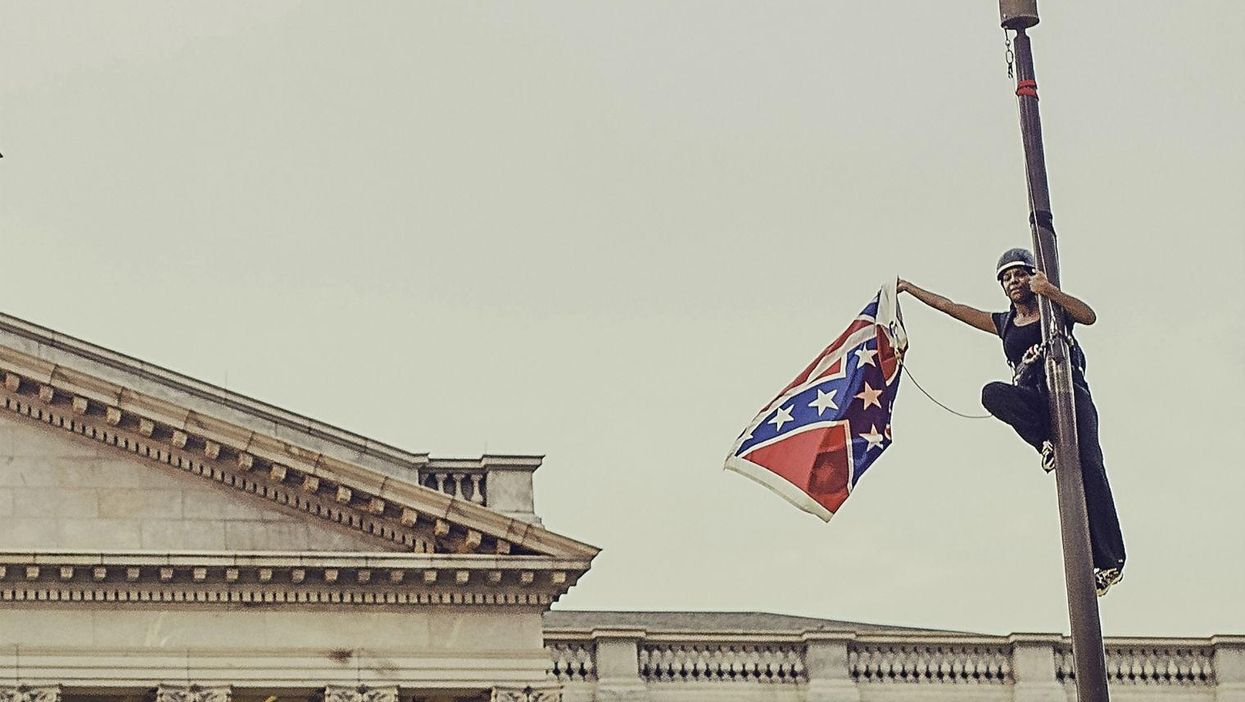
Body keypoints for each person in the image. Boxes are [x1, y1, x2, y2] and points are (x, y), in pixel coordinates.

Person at [897, 248, 1126, 597]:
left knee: (1091, 468)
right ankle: (1044, 443)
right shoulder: (1004, 322)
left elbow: (1089, 315)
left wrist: (1050, 291)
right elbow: (952, 307)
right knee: (992, 393)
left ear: (1032, 277)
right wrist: (911, 289)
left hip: (1070, 394)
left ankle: (1109, 561)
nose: (1013, 281)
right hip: (1033, 397)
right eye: (1006, 277)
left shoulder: (1053, 310)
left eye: (1019, 274)